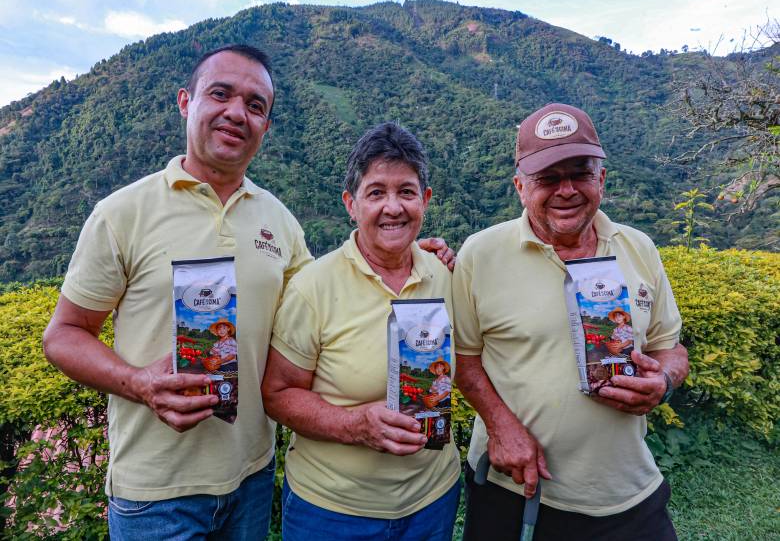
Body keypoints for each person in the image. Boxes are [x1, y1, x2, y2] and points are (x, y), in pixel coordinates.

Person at [42, 43, 455, 540]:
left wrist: (406, 248)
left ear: (266, 126)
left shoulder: (277, 220)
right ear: (185, 101)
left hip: (253, 477)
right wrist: (139, 383)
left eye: (256, 105)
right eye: (221, 94)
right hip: (156, 490)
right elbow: (63, 335)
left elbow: (330, 294)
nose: (237, 112)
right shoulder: (121, 213)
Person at [453, 102, 690, 541]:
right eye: (548, 178)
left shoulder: (639, 249)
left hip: (628, 492)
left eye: (579, 172)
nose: (566, 190)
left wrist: (665, 382)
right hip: (514, 489)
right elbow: (463, 360)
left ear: (601, 179)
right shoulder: (480, 254)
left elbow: (670, 348)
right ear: (520, 187)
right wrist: (501, 428)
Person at [261, 123, 461, 541]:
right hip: (333, 512)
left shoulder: (445, 275)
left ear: (425, 200)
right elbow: (277, 394)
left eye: (406, 192)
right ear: (351, 204)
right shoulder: (313, 287)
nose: (393, 207)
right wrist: (355, 425)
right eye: (376, 193)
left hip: (433, 501)